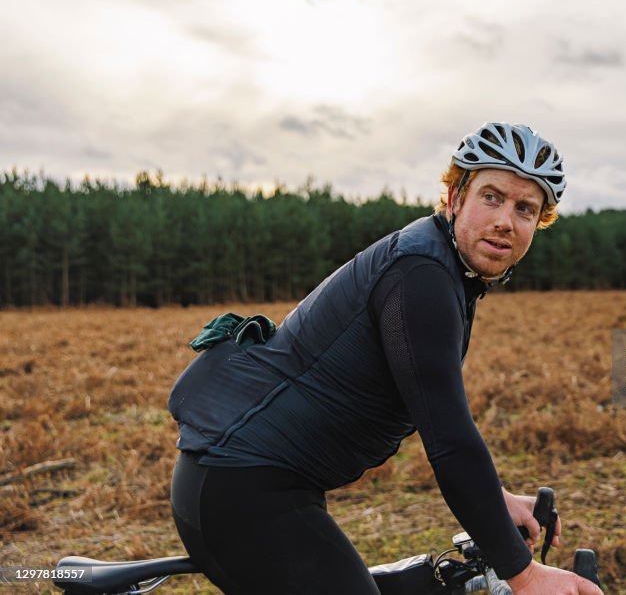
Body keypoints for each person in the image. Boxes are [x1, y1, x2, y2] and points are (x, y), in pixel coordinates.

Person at [167, 122, 601, 594]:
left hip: (258, 482)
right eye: (492, 197)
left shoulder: (444, 268)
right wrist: (525, 573)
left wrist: (495, 503)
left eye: (525, 209)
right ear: (455, 197)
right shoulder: (422, 276)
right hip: (242, 489)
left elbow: (427, 402)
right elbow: (450, 439)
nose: (505, 221)